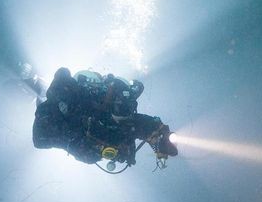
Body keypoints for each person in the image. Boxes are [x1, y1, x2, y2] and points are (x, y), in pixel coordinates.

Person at [32, 67, 178, 165]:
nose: (123, 113)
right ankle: (33, 83)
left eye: (126, 108)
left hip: (87, 139)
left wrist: (163, 138)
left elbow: (146, 125)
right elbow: (39, 140)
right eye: (118, 105)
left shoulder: (126, 121)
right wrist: (73, 143)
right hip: (68, 125)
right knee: (41, 94)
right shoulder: (76, 104)